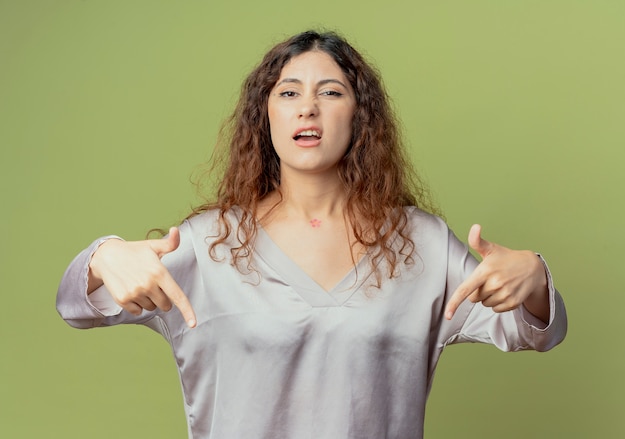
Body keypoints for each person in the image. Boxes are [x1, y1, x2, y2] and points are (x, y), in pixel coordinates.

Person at [56, 30, 567, 438]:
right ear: (267, 117)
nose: (308, 107)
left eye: (331, 92)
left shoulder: (423, 244)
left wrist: (535, 277)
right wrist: (103, 256)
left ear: (359, 117)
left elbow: (532, 331)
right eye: (288, 93)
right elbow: (76, 306)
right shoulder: (207, 244)